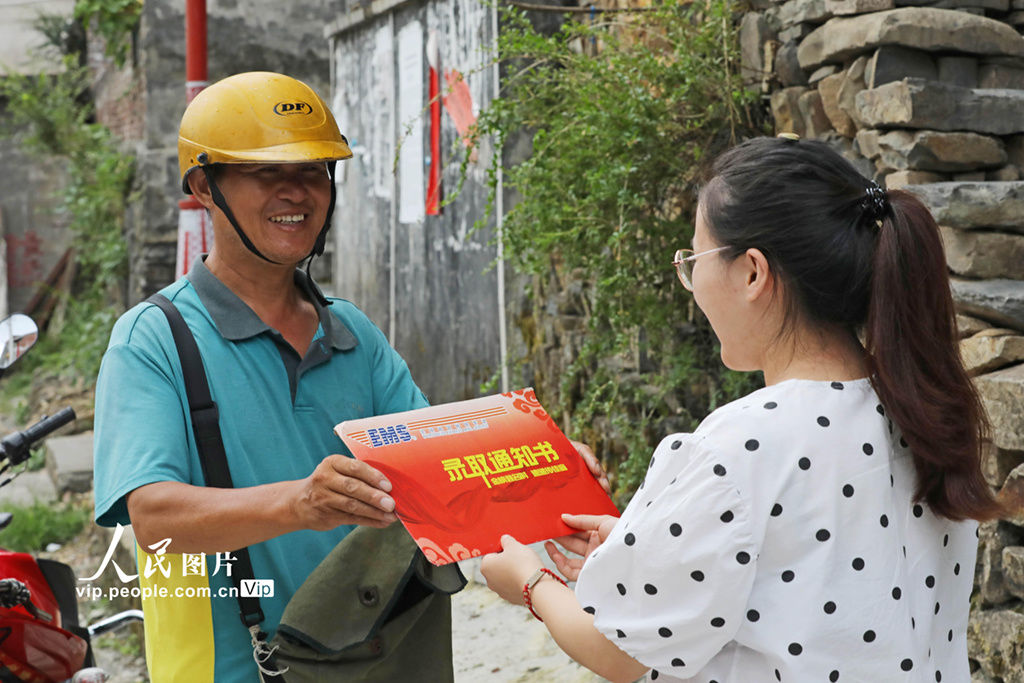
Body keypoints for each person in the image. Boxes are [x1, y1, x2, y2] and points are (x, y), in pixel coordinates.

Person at [480, 135, 1002, 683]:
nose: (691, 282)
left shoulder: (737, 446)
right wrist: (652, 551)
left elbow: (618, 652)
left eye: (693, 259)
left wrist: (530, 581)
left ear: (752, 272)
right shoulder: (922, 409)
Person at [92, 71, 445, 682]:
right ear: (204, 186)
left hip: (367, 660)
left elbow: (434, 467)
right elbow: (155, 520)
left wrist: (539, 469)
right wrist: (301, 502)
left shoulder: (353, 333)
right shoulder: (153, 339)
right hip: (234, 670)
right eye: (265, 172)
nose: (297, 192)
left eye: (312, 171)